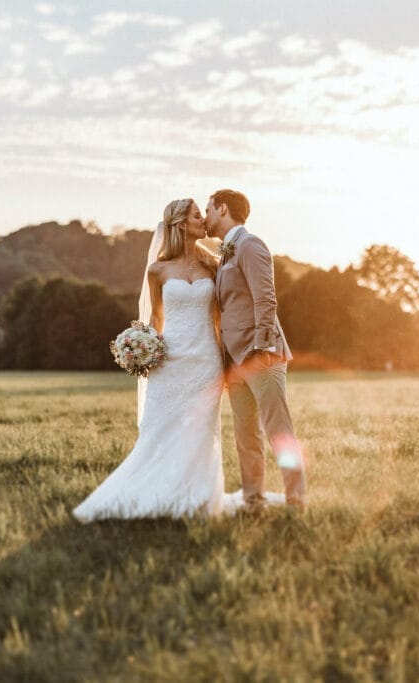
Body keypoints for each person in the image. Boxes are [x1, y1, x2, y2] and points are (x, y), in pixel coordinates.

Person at [72, 198, 284, 522]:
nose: (204, 221)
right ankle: (153, 490)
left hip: (206, 361)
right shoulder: (157, 270)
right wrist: (141, 347)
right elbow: (155, 320)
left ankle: (198, 495)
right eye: (197, 216)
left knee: (201, 431)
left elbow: (224, 311)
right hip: (169, 361)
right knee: (161, 429)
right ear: (181, 224)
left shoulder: (214, 265)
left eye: (204, 213)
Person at [206, 189, 306, 512]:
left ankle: (296, 500)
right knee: (246, 436)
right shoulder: (224, 254)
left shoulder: (251, 245)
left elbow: (266, 298)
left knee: (279, 431)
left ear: (222, 209)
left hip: (260, 355)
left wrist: (263, 346)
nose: (205, 216)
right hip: (234, 362)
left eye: (208, 209)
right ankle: (253, 501)